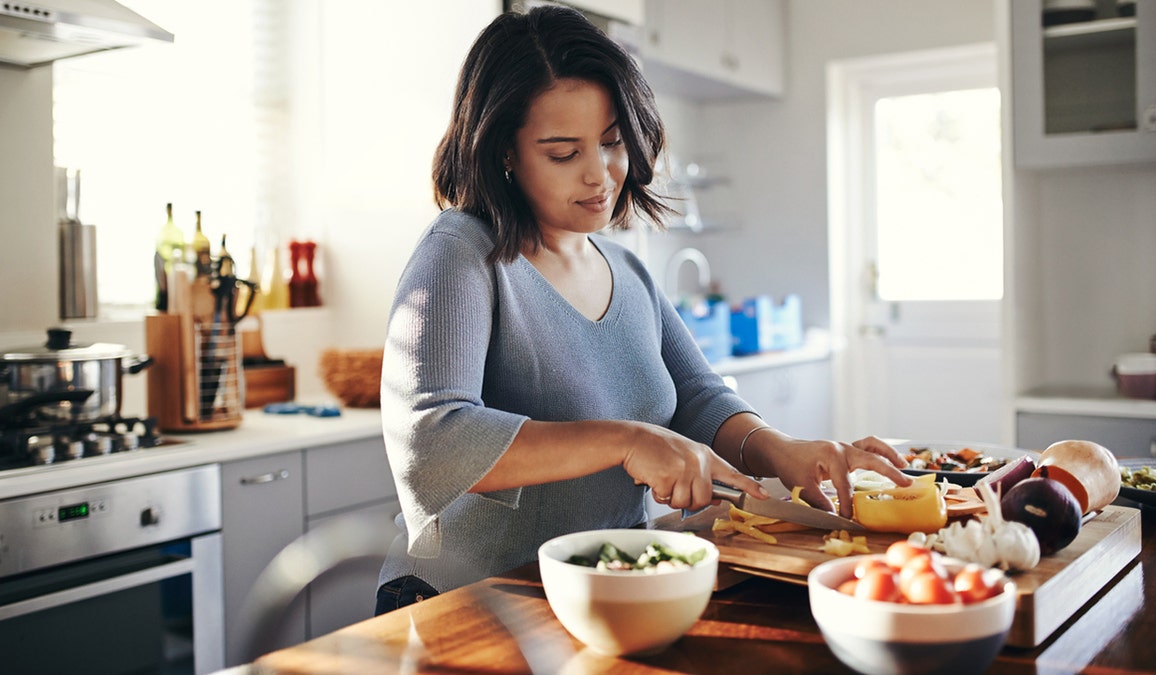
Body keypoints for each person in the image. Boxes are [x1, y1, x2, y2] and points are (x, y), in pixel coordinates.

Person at [375, 4, 912, 615]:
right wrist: (626, 440)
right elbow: (429, 439)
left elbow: (699, 400)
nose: (601, 175)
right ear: (504, 151)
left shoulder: (624, 269)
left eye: (612, 143)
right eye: (562, 153)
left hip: (598, 595)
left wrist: (780, 451)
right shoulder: (460, 253)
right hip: (468, 601)